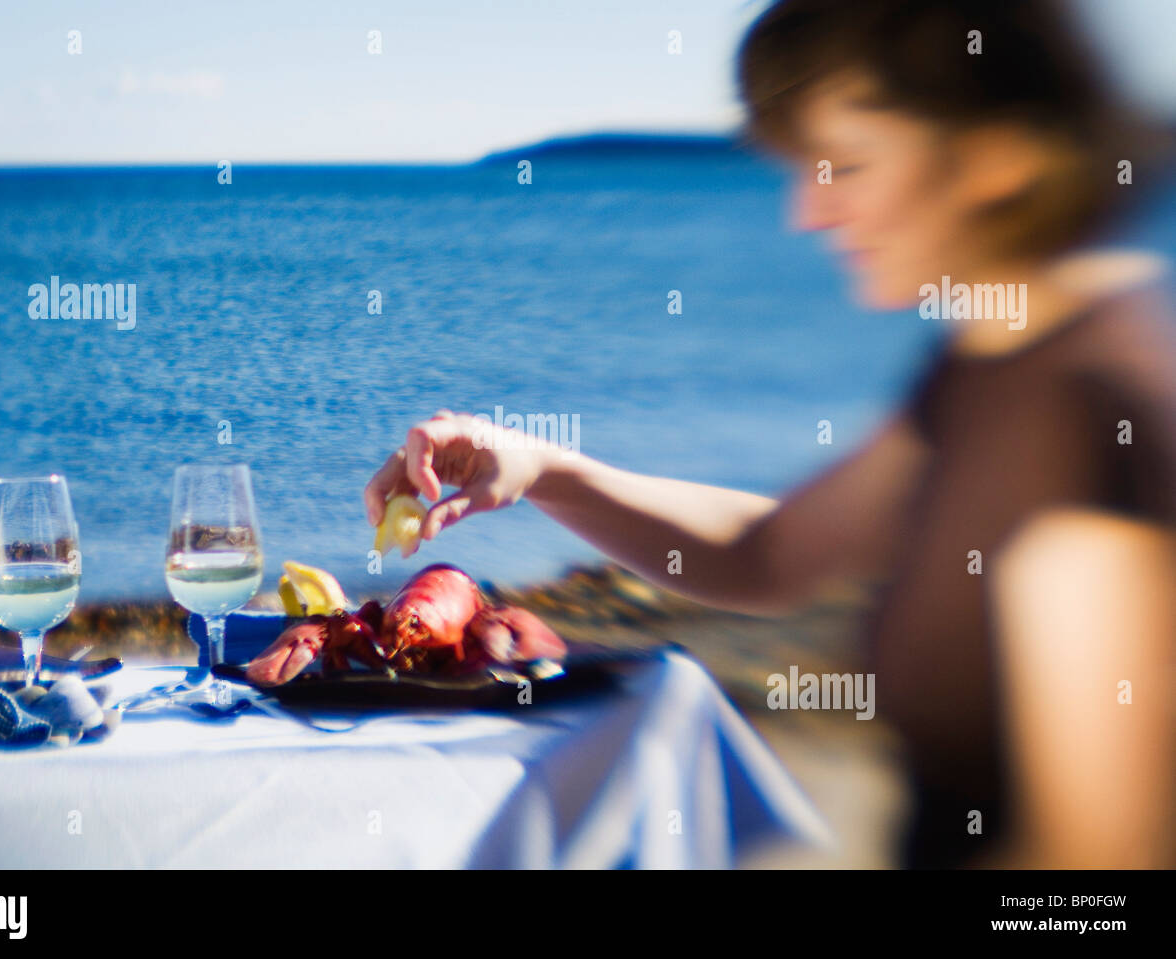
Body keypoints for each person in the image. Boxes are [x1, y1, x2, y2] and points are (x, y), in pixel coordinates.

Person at [364, 0, 1176, 868]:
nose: (809, 213)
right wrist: (540, 467)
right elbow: (772, 551)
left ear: (1000, 157)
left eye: (849, 166)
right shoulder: (990, 370)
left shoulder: (1083, 413)